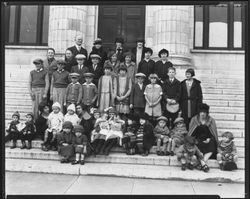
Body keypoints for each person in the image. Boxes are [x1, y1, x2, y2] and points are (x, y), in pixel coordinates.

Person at [188, 103, 218, 172]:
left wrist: (209, 139)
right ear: (199, 112)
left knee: (213, 143)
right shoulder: (194, 119)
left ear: (207, 113)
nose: (202, 114)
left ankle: (202, 162)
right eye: (201, 112)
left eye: (204, 112)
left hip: (208, 140)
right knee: (196, 145)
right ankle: (203, 164)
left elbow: (213, 134)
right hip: (198, 140)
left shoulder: (211, 120)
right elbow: (191, 134)